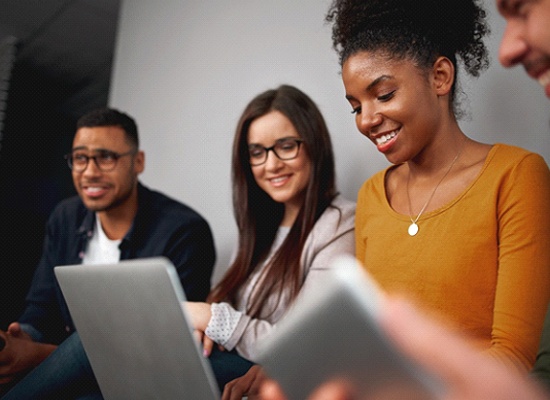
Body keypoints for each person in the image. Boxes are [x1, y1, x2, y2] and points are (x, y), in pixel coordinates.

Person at [0, 107, 216, 398]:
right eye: (80, 158)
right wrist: (20, 340)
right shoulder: (65, 217)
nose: (90, 171)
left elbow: (164, 349)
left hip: (137, 381)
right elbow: (41, 307)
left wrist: (40, 356)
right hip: (62, 369)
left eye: (106, 157)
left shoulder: (185, 231)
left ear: (138, 162)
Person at [186, 84, 355, 398]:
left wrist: (212, 318)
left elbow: (305, 344)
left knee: (98, 347)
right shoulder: (261, 229)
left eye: (286, 145)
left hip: (280, 382)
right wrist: (204, 329)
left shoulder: (342, 224)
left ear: (314, 146)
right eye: (257, 152)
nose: (271, 164)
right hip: (231, 371)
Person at [496, 0, 550, 391]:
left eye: (522, 9)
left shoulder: (518, 174)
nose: (507, 51)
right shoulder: (373, 193)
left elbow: (515, 353)